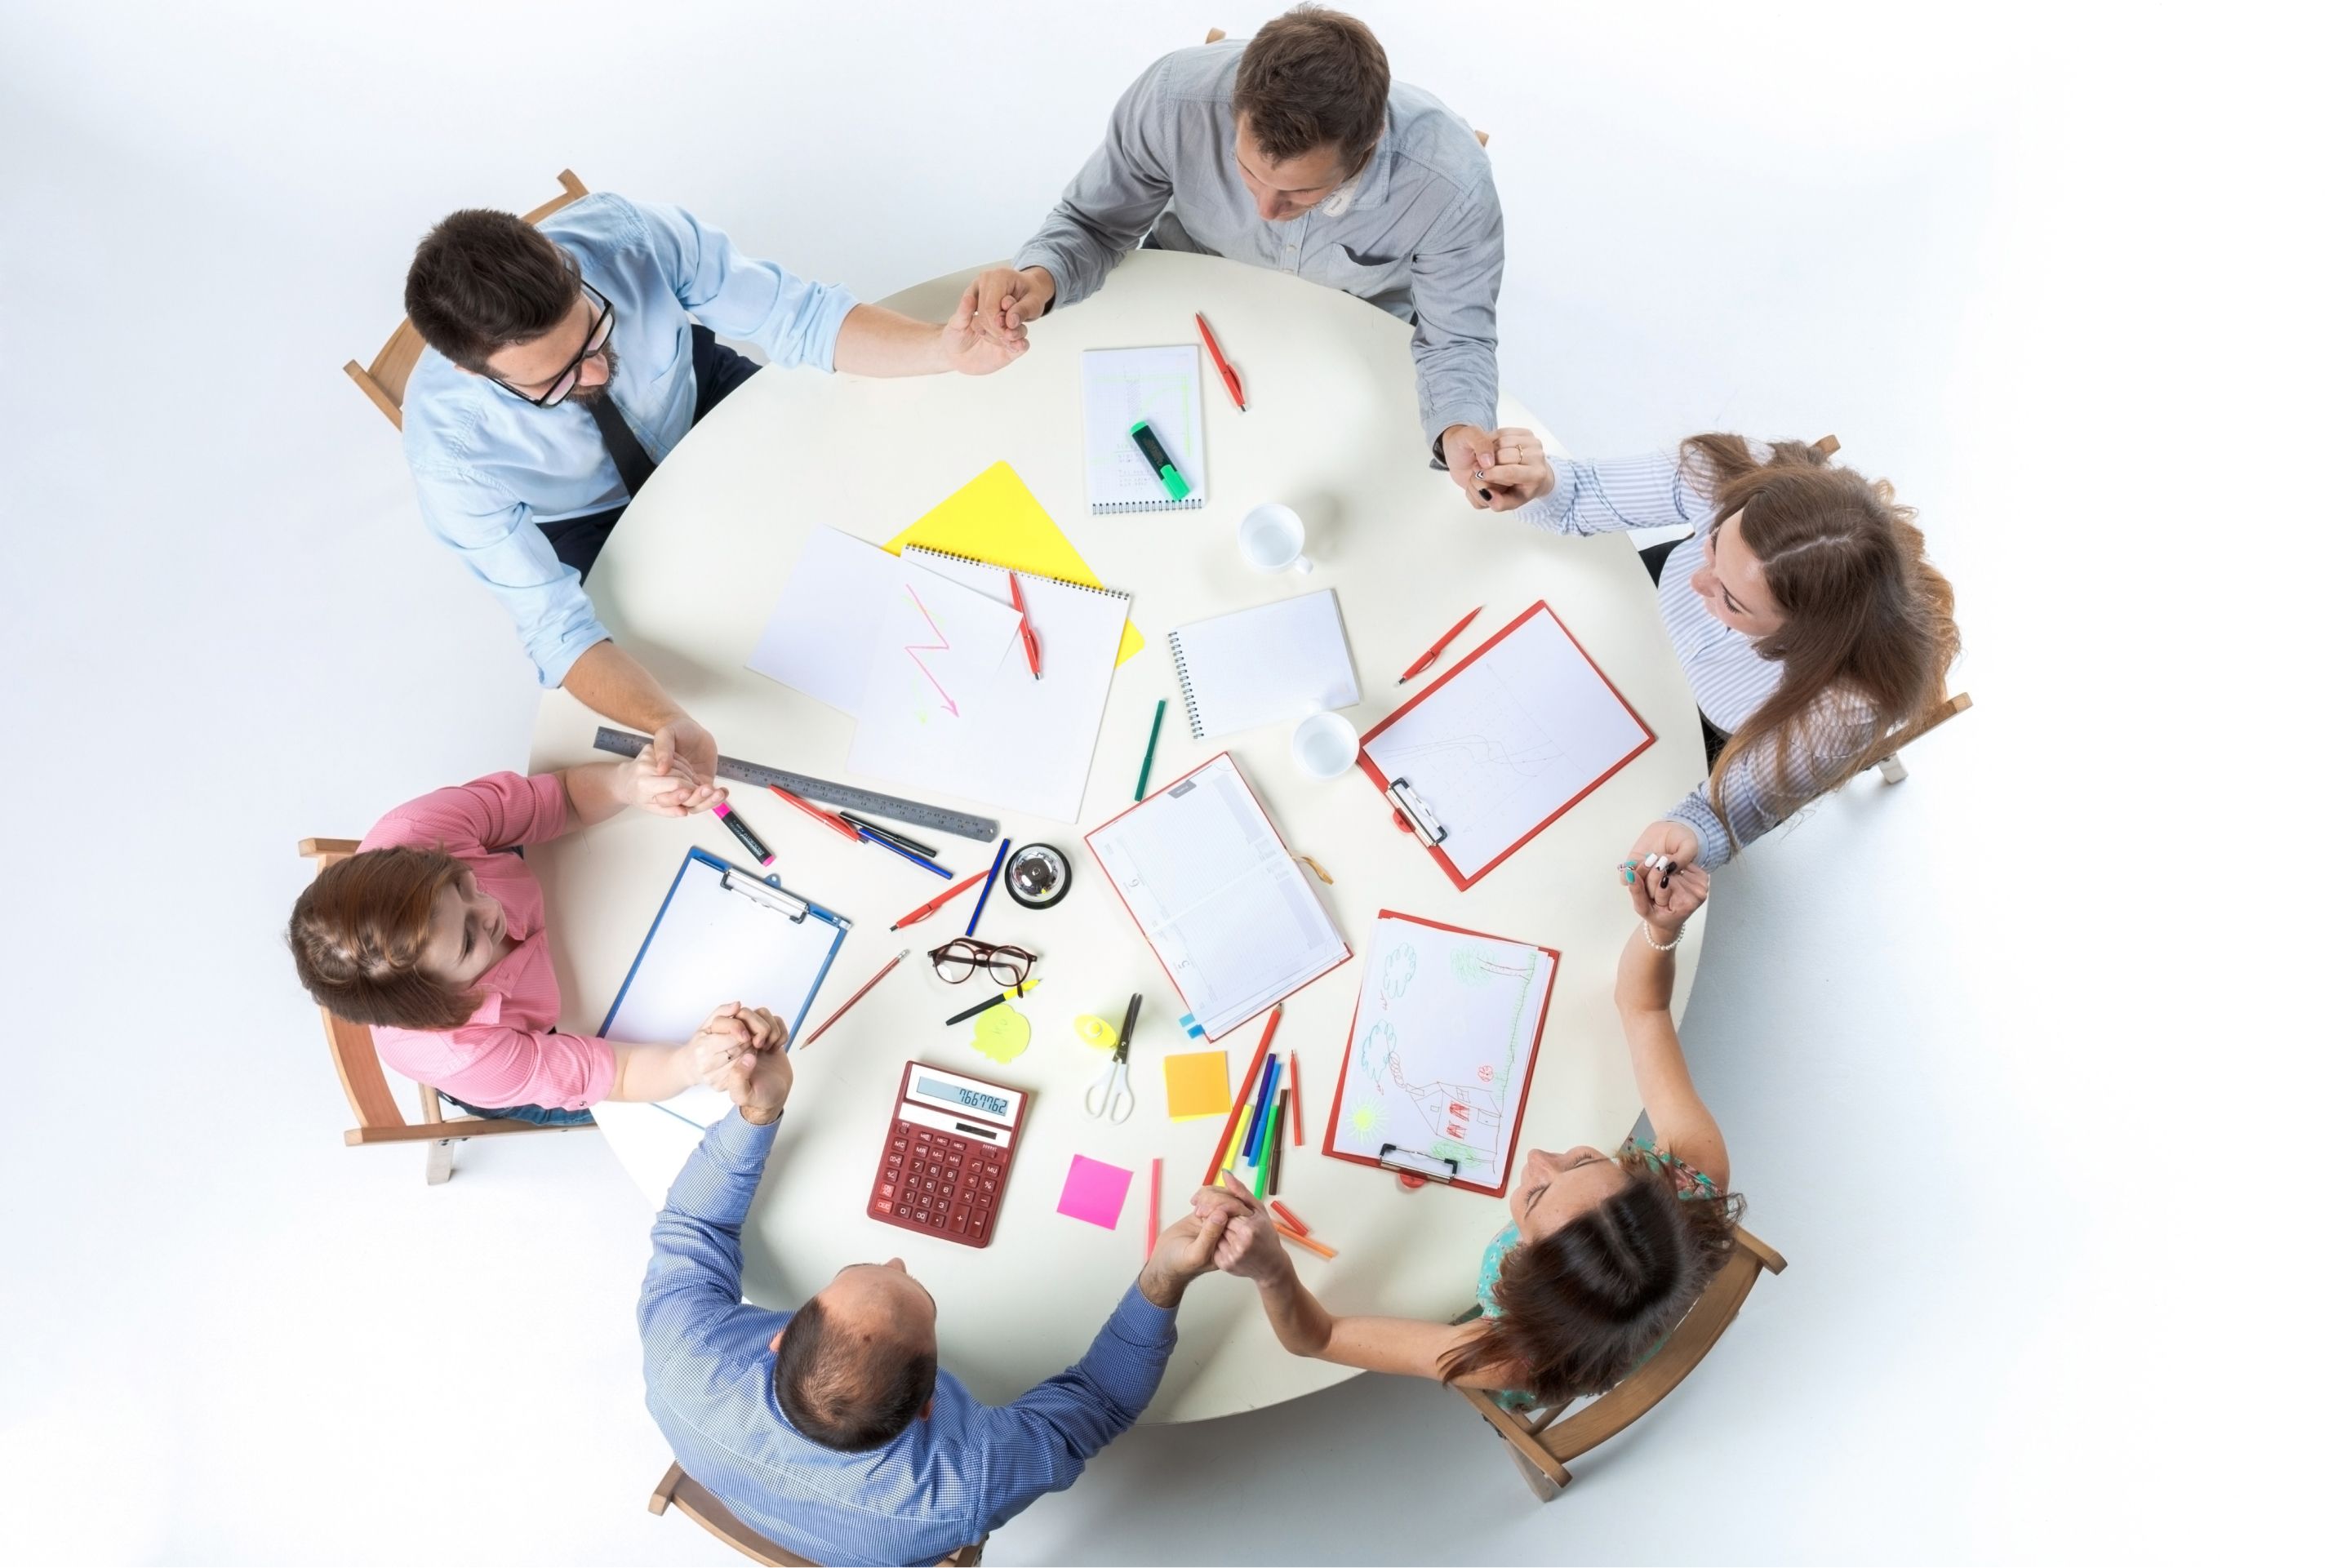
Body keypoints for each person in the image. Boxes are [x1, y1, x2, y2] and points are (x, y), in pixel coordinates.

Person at [399, 192, 1026, 797]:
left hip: (704, 401)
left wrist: (940, 350)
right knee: (736, 667)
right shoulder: (450, 454)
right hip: (595, 521)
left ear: (567, 265)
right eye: (555, 381)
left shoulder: (629, 238)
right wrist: (665, 721)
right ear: (473, 370)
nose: (594, 373)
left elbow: (799, 317)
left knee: (877, 504)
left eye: (595, 335)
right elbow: (556, 630)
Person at [639, 1027, 1231, 1566]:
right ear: (927, 1405)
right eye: (915, 1289)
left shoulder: (679, 1359)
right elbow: (1100, 1401)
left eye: (869, 1269)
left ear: (780, 1337)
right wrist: (1162, 1278)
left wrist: (757, 1110)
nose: (897, 1257)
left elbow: (692, 1226)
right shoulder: (962, 1490)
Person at [1193, 861, 1742, 1410]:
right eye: (1583, 1159)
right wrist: (1662, 930)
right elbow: (1644, 1007)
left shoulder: (1511, 1354)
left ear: (1526, 1273)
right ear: (1653, 1195)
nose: (1537, 1157)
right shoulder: (1693, 1174)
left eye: (1535, 1195)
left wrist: (1271, 1270)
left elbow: (1319, 1337)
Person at [962, 6, 1504, 499]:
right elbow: (1093, 222)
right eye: (1247, 172)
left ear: (1369, 143)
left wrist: (1458, 428)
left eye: (1300, 192)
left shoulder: (1452, 186)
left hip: (1344, 346)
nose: (1267, 209)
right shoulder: (1173, 99)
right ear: (1234, 108)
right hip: (1185, 307)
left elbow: (1456, 337)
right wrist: (1041, 277)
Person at [1464, 431, 1962, 870]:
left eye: (1730, 600)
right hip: (1634, 617)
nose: (1696, 582)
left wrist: (1687, 835)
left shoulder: (1840, 708)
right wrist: (1540, 479)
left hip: (1706, 728)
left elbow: (1727, 810)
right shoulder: (1738, 469)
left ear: (1803, 638)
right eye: (1714, 542)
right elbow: (1578, 495)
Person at [287, 761, 780, 1123]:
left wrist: (628, 784)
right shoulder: (470, 1057)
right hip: (517, 1057)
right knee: (637, 1116)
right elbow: (621, 1074)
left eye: (460, 884)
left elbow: (560, 798)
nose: (491, 910)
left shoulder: (418, 831)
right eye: (467, 942)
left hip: (574, 930)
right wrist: (690, 1061)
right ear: (439, 1000)